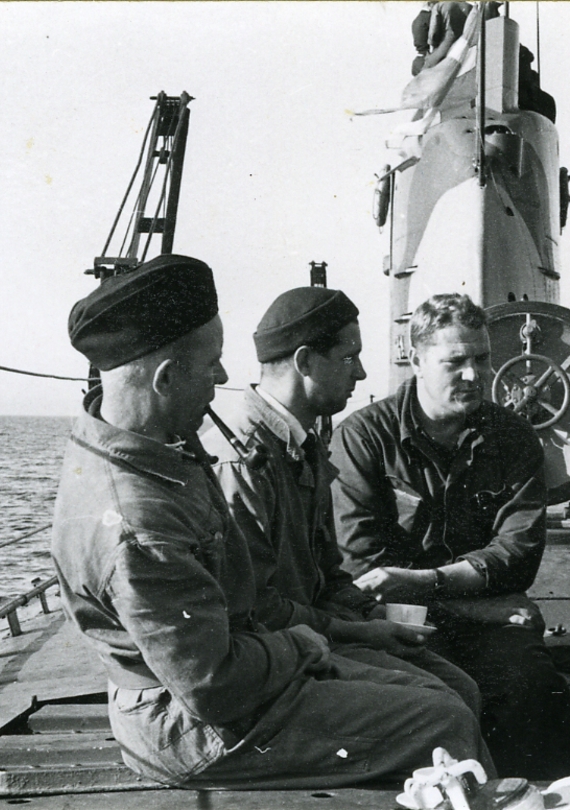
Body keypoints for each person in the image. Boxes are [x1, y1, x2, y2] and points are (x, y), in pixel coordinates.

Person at [52, 256, 488, 789]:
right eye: (211, 362)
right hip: (194, 726)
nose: (224, 376)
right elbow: (213, 685)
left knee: (448, 694)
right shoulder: (138, 520)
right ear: (165, 378)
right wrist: (311, 644)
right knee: (441, 716)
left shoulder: (153, 449)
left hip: (241, 673)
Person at [207, 286, 481, 715]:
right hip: (274, 658)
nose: (362, 374)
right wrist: (362, 633)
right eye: (349, 357)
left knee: (459, 686)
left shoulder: (303, 442)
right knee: (442, 707)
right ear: (305, 362)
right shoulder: (242, 461)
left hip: (315, 634)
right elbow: (255, 610)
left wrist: (372, 614)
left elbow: (325, 576)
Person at [330, 293, 568, 779]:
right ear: (416, 360)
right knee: (431, 706)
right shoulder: (363, 440)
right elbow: (363, 571)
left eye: (481, 358)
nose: (473, 374)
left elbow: (517, 556)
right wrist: (475, 602)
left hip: (483, 627)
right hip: (393, 626)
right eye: (455, 361)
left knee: (535, 692)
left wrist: (423, 584)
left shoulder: (512, 437)